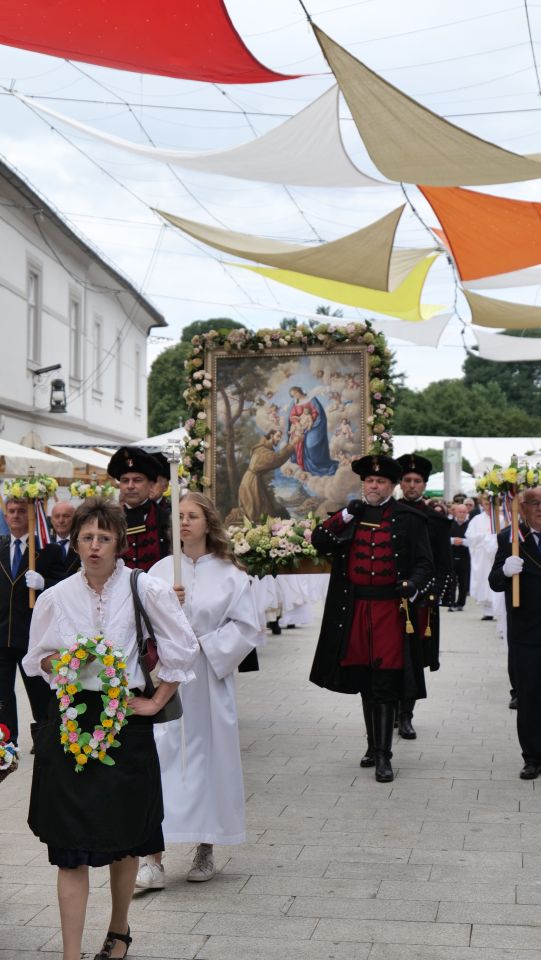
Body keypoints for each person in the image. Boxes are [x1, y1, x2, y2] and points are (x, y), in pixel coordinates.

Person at [22, 497, 198, 960]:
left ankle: (119, 930)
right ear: (75, 543)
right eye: (87, 537)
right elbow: (36, 658)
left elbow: (184, 648)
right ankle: (71, 953)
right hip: (70, 723)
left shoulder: (146, 589)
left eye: (104, 537)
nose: (95, 546)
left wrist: (155, 701)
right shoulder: (56, 597)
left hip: (125, 726)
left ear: (119, 542)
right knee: (68, 846)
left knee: (125, 838)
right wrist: (63, 663)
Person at [136, 492, 260, 889]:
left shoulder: (230, 573)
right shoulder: (159, 571)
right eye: (179, 516)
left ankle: (206, 846)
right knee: (162, 758)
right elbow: (138, 625)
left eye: (192, 516)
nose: (185, 523)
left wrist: (204, 647)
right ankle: (152, 858)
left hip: (208, 677)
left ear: (208, 522)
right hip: (167, 679)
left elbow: (247, 626)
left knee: (210, 760)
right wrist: (164, 607)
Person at [309, 454, 434, 783]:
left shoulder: (409, 518)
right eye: (369, 481)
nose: (374, 486)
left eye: (380, 481)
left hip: (390, 611)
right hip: (356, 610)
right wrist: (346, 514)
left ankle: (383, 756)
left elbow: (425, 563)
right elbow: (320, 540)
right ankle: (372, 745)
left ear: (391, 486)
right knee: (366, 680)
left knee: (384, 682)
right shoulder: (351, 515)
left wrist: (412, 584)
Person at [395, 454, 454, 740]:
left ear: (425, 485)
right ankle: (391, 707)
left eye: (417, 481)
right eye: (407, 480)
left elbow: (444, 564)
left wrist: (434, 596)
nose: (412, 485)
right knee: (390, 653)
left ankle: (406, 713)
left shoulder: (437, 520)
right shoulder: (389, 513)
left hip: (421, 600)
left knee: (414, 657)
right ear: (400, 482)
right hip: (390, 595)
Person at [0, 498, 65, 743]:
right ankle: (6, 744)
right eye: (11, 511)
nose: (16, 515)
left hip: (32, 637)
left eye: (21, 511)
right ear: (5, 515)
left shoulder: (48, 550)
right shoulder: (0, 546)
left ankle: (45, 741)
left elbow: (64, 588)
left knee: (39, 695)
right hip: (3, 635)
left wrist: (44, 583)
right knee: (2, 697)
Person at [489, 488, 541, 778]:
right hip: (528, 632)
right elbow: (494, 581)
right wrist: (506, 572)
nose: (540, 508)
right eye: (534, 503)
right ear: (523, 508)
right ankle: (533, 756)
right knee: (530, 696)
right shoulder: (510, 539)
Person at [107, 446, 170, 571]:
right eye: (125, 481)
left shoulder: (168, 519)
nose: (130, 486)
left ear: (151, 485)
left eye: (137, 480)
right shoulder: (108, 520)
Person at [238, 430, 295, 522]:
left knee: (265, 510)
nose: (279, 439)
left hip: (254, 481)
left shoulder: (264, 449)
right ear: (271, 435)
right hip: (250, 484)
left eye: (280, 437)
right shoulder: (261, 450)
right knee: (256, 512)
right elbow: (276, 458)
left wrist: (290, 443)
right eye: (278, 436)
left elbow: (276, 457)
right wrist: (292, 445)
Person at [287, 386, 338, 476]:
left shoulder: (311, 399)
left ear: (299, 390)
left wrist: (308, 422)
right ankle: (302, 466)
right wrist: (298, 423)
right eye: (293, 395)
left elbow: (317, 413)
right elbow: (292, 416)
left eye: (295, 393)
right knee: (294, 441)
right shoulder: (295, 403)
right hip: (300, 427)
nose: (295, 395)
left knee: (310, 445)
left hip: (314, 426)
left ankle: (318, 464)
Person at [449, 502, 470, 611]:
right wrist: (453, 540)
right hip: (451, 556)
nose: (461, 514)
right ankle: (451, 603)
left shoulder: (471, 525)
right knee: (451, 581)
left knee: (463, 581)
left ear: (467, 513)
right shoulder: (449, 523)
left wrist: (462, 541)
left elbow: (474, 540)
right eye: (459, 512)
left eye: (464, 512)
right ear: (455, 512)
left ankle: (460, 603)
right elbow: (443, 538)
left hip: (465, 557)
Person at [50, 501, 80, 575]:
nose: (61, 521)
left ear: (75, 519)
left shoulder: (81, 543)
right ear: (51, 520)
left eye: (66, 516)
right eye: (57, 516)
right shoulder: (44, 544)